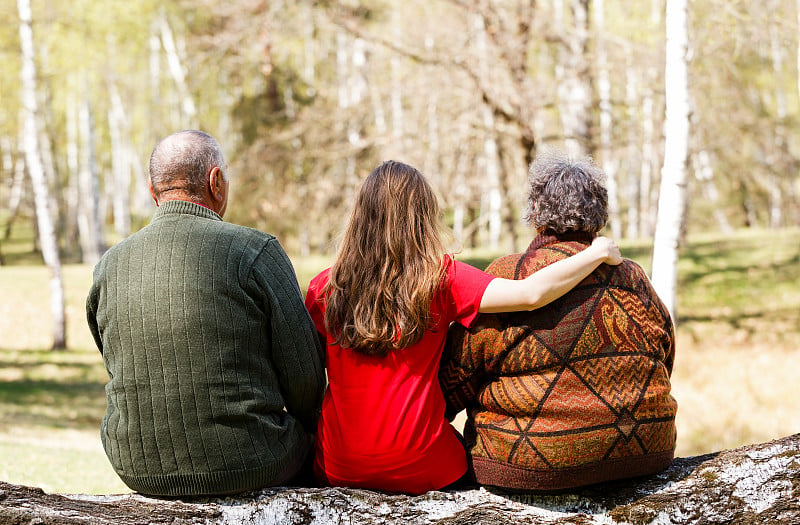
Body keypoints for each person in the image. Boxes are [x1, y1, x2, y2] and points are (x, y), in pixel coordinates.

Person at [303, 160, 622, 495]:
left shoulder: (323, 288)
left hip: (339, 466)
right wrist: (595, 253)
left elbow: (305, 378)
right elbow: (531, 294)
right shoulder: (439, 278)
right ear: (422, 217)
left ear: (360, 216)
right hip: (423, 465)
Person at [86, 130, 326, 497]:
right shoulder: (255, 251)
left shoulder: (109, 265)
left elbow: (115, 360)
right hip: (250, 459)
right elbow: (305, 378)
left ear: (154, 192)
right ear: (217, 182)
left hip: (136, 466)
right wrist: (308, 429)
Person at [439, 149, 677, 492]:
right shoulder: (633, 276)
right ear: (600, 216)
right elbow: (664, 357)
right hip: (648, 450)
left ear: (535, 212)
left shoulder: (511, 276)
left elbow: (455, 378)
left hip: (530, 463)